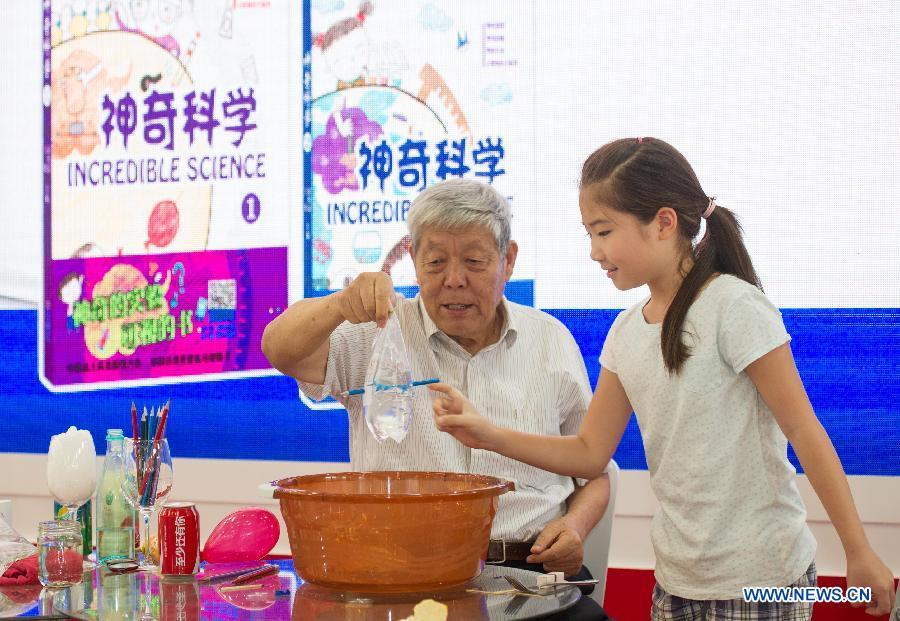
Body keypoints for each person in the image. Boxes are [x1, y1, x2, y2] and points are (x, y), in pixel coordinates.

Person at [429, 138, 896, 620]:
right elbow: (589, 453)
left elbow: (804, 430)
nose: (594, 252)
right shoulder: (627, 331)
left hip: (763, 580)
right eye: (589, 234)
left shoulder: (734, 306)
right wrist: (485, 434)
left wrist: (858, 550)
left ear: (664, 223)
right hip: (676, 582)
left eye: (604, 231)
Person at [262, 178, 610, 620]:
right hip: (400, 579)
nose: (454, 280)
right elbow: (279, 349)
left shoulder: (550, 341)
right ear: (413, 260)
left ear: (508, 259)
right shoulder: (378, 331)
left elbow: (593, 473)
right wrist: (340, 304)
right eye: (436, 262)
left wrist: (574, 527)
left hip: (529, 578)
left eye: (474, 262)